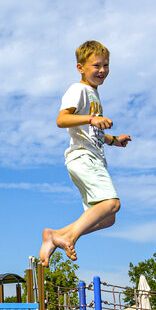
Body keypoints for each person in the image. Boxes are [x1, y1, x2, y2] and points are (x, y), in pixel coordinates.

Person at [39, 41, 131, 265]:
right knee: (112, 203)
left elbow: (90, 131)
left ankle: (54, 234)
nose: (102, 71)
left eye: (106, 65)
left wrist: (113, 141)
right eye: (96, 66)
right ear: (80, 67)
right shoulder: (78, 89)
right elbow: (62, 119)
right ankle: (69, 236)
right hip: (82, 157)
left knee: (108, 219)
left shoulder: (93, 95)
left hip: (90, 158)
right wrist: (92, 118)